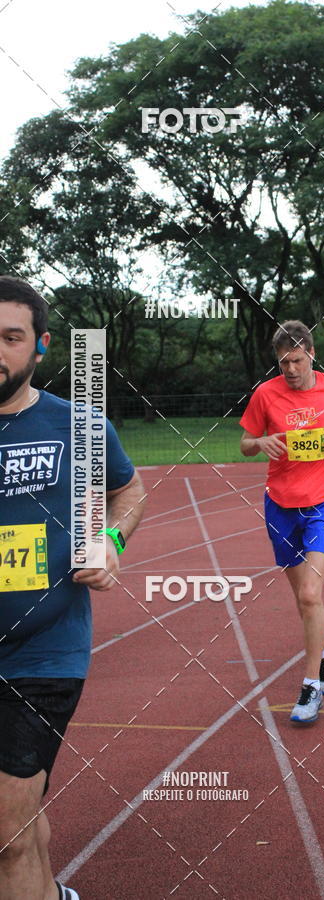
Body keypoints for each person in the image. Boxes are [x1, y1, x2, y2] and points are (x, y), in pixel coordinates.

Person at [0, 276, 146, 900]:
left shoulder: (77, 428)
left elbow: (128, 493)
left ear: (40, 347)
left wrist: (109, 543)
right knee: (19, 828)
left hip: (42, 654)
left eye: (11, 337)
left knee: (4, 837)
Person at [239, 320, 324, 725]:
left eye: (296, 360)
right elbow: (244, 443)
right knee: (302, 598)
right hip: (280, 504)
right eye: (282, 363)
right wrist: (260, 443)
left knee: (311, 594)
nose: (290, 369)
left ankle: (311, 684)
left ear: (310, 354)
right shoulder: (265, 394)